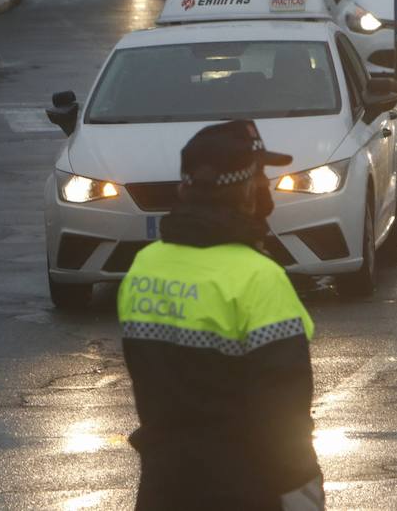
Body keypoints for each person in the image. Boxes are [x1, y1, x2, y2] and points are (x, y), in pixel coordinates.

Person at [118, 119, 324, 511]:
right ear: (246, 190)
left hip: (163, 487)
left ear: (186, 188)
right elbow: (284, 418)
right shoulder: (258, 279)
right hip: (245, 490)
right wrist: (303, 492)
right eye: (260, 176)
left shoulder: (144, 268)